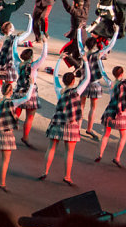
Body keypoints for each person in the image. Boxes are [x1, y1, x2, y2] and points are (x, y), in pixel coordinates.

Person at [40, 46, 92, 186]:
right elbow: (88, 78)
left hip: (58, 122)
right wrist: (86, 61)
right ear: (73, 81)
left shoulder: (59, 90)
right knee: (69, 152)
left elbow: (55, 75)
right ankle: (67, 176)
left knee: (51, 148)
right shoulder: (77, 91)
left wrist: (59, 60)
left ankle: (45, 171)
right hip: (71, 124)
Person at [0, 74, 35, 191]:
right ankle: (2, 183)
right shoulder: (14, 102)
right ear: (11, 91)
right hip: (7, 135)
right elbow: (27, 98)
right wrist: (31, 84)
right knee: (5, 161)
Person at [82, 28, 119, 138]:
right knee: (93, 108)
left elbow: (79, 41)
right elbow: (110, 45)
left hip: (83, 83)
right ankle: (89, 129)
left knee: (81, 106)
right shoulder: (98, 55)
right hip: (94, 83)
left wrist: (80, 30)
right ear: (94, 46)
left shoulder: (83, 53)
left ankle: (77, 126)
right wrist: (116, 32)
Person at [14, 39, 49, 148]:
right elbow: (43, 56)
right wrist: (45, 43)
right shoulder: (33, 66)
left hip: (19, 91)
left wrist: (14, 41)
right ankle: (25, 137)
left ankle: (8, 130)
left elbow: (13, 52)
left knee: (16, 113)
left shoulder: (18, 63)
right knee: (29, 117)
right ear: (31, 57)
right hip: (30, 92)